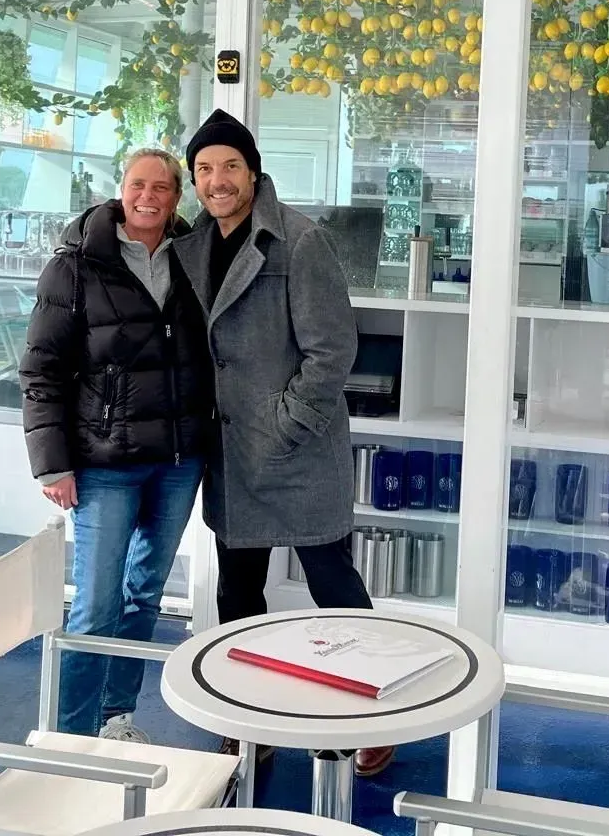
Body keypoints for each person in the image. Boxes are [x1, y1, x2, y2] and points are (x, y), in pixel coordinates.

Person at [177, 109, 394, 777]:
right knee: (238, 595)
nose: (217, 180)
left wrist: (287, 422)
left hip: (296, 452)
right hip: (231, 452)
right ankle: (250, 721)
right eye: (204, 169)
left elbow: (332, 352)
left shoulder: (300, 241)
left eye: (230, 166)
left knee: (335, 586)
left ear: (253, 171)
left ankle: (377, 717)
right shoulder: (193, 245)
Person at [19, 147, 213, 741]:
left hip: (177, 460)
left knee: (145, 594)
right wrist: (51, 465)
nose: (148, 196)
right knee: (97, 604)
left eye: (161, 187)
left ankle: (115, 717)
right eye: (138, 185)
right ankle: (69, 736)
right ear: (121, 189)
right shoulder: (75, 265)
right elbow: (41, 370)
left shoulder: (193, 258)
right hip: (104, 462)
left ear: (177, 197)